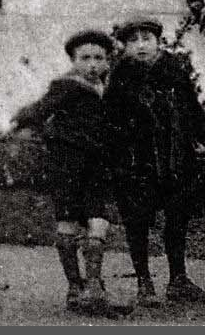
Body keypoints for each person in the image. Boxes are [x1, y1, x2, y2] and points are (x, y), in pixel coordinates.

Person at [10, 30, 125, 316]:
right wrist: (18, 124)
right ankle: (75, 288)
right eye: (85, 58)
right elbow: (40, 109)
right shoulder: (66, 86)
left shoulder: (107, 90)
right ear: (73, 62)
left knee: (98, 220)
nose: (92, 65)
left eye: (99, 58)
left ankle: (94, 288)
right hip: (67, 166)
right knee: (68, 221)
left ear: (108, 61)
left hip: (96, 166)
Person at [103, 16, 205, 306]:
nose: (141, 46)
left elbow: (191, 108)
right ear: (124, 46)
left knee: (177, 217)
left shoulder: (174, 69)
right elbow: (111, 121)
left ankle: (178, 279)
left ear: (158, 42)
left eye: (147, 39)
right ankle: (144, 282)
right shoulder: (121, 77)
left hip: (175, 158)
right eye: (133, 41)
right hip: (137, 163)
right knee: (137, 221)